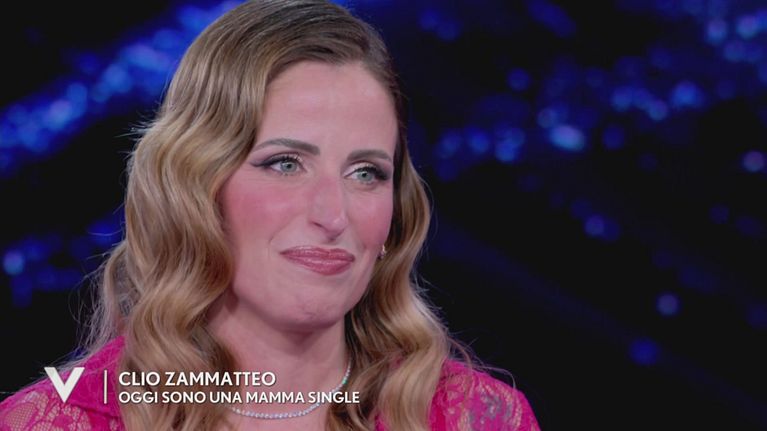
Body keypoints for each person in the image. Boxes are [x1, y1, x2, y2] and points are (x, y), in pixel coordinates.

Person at [0, 1, 540, 430]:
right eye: (285, 163)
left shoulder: (478, 418)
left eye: (366, 173)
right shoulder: (56, 422)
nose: (333, 215)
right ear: (195, 186)